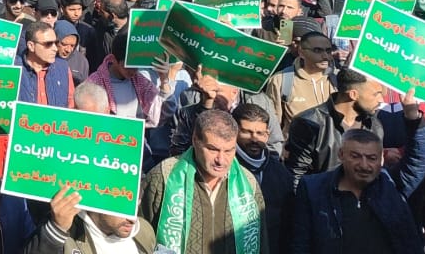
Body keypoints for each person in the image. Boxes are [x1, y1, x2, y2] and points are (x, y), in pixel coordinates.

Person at [139, 109, 267, 254]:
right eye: (213, 149)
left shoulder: (248, 184)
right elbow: (140, 237)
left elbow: (261, 244)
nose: (221, 160)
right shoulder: (164, 177)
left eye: (229, 151)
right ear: (195, 140)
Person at [290, 128, 425, 253]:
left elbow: (420, 158)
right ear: (341, 154)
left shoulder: (393, 186)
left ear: (382, 159)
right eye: (355, 156)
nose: (364, 165)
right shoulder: (313, 189)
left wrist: (414, 118)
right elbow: (300, 244)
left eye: (372, 158)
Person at [283, 67, 387, 188]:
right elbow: (296, 175)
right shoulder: (310, 123)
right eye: (376, 94)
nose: (381, 100)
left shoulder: (374, 125)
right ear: (353, 94)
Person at [25, 184, 157, 253]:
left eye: (136, 205)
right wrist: (55, 231)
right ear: (97, 201)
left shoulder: (144, 232)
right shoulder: (65, 238)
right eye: (124, 209)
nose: (133, 219)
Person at [233, 102, 293, 253]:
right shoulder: (223, 168)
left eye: (260, 133)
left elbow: (289, 222)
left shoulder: (280, 173)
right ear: (234, 131)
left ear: (267, 135)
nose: (254, 139)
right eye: (247, 132)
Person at [264, 31, 337, 133]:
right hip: (295, 142)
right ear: (301, 52)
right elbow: (273, 126)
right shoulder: (281, 80)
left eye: (328, 51)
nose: (325, 56)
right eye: (317, 50)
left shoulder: (338, 80)